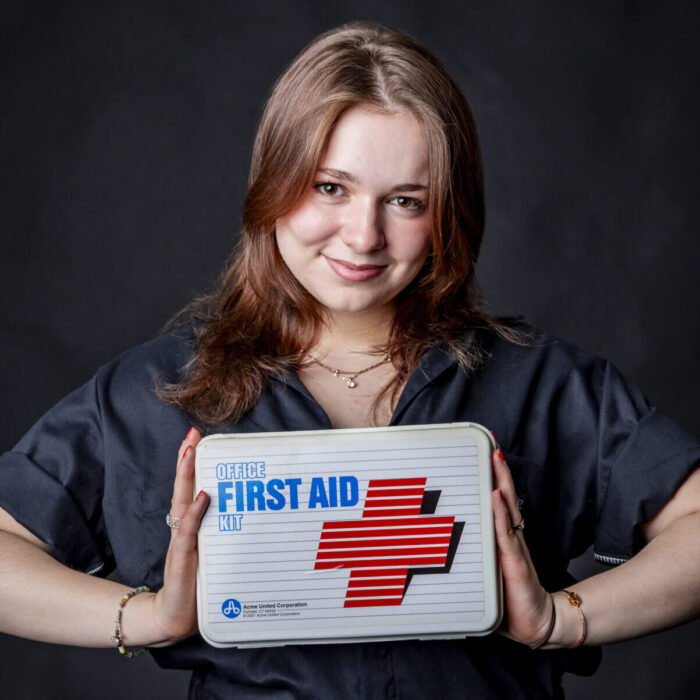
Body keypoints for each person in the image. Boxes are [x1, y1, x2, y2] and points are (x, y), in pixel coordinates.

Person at [1, 21, 699, 700]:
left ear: (450, 212)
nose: (363, 235)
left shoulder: (544, 382)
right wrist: (147, 618)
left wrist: (560, 621)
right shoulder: (159, 388)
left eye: (405, 200)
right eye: (330, 187)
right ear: (275, 181)